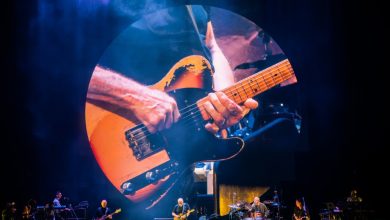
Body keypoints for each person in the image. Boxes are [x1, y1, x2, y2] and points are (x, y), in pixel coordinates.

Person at [86, 5, 258, 137]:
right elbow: (64, 63)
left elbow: (211, 46)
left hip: (180, 147)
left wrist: (223, 99)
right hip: (109, 135)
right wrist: (135, 97)